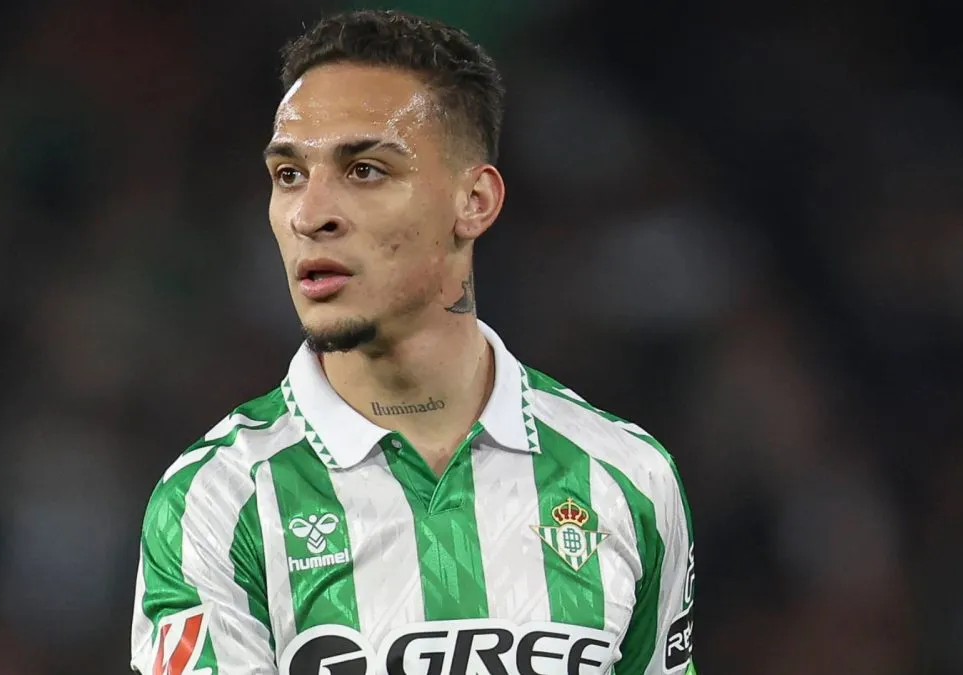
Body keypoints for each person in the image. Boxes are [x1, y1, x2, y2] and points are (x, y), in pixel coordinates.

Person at [130, 9, 696, 675]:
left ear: (475, 202)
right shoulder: (220, 499)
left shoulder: (629, 479)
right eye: (289, 175)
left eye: (365, 169)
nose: (312, 214)